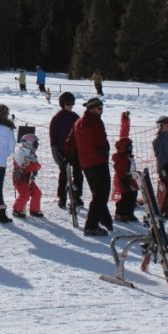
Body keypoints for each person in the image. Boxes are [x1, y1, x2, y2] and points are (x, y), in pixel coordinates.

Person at [74, 97, 113, 236]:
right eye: (99, 108)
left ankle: (106, 220)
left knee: (98, 193)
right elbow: (100, 141)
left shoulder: (79, 122)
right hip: (98, 161)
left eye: (101, 108)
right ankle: (91, 225)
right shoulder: (94, 121)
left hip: (86, 163)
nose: (101, 111)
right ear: (91, 109)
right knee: (101, 194)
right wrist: (105, 149)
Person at [49, 92, 79, 209]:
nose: (70, 105)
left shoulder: (75, 117)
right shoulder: (57, 118)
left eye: (72, 103)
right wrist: (55, 152)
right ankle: (62, 197)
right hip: (62, 151)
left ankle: (77, 196)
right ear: (62, 104)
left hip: (75, 151)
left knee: (78, 174)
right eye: (68, 103)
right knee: (64, 175)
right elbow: (53, 137)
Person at [12, 134, 43, 218]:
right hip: (20, 179)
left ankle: (34, 210)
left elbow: (36, 164)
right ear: (29, 144)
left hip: (29, 178)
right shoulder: (20, 153)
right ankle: (16, 210)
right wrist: (30, 168)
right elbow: (19, 168)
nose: (36, 148)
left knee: (37, 193)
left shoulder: (32, 154)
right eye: (35, 145)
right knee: (25, 194)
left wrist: (36, 166)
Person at [113, 137, 139, 222]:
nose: (130, 149)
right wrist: (124, 180)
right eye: (129, 147)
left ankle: (129, 213)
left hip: (132, 179)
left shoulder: (129, 157)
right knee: (125, 197)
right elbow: (120, 170)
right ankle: (120, 213)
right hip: (124, 179)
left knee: (133, 196)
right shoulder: (120, 158)